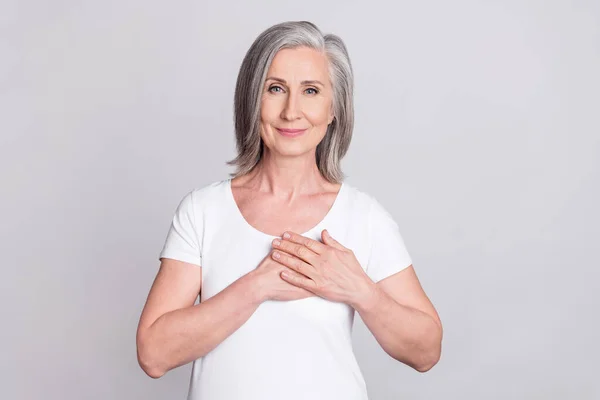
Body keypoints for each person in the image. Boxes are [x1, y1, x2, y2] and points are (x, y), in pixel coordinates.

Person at [136, 20, 442, 399]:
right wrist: (256, 286)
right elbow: (153, 354)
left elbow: (427, 351)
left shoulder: (364, 217)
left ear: (333, 110)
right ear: (252, 100)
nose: (291, 111)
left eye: (311, 91)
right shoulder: (203, 211)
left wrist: (360, 291)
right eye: (276, 89)